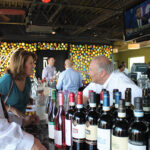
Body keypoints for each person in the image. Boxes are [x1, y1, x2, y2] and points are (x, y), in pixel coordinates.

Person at [0, 48, 39, 125]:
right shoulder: (7, 80)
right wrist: (11, 109)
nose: (33, 66)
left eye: (33, 63)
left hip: (19, 123)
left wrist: (31, 101)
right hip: (6, 126)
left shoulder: (27, 80)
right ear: (21, 65)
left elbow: (22, 99)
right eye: (30, 63)